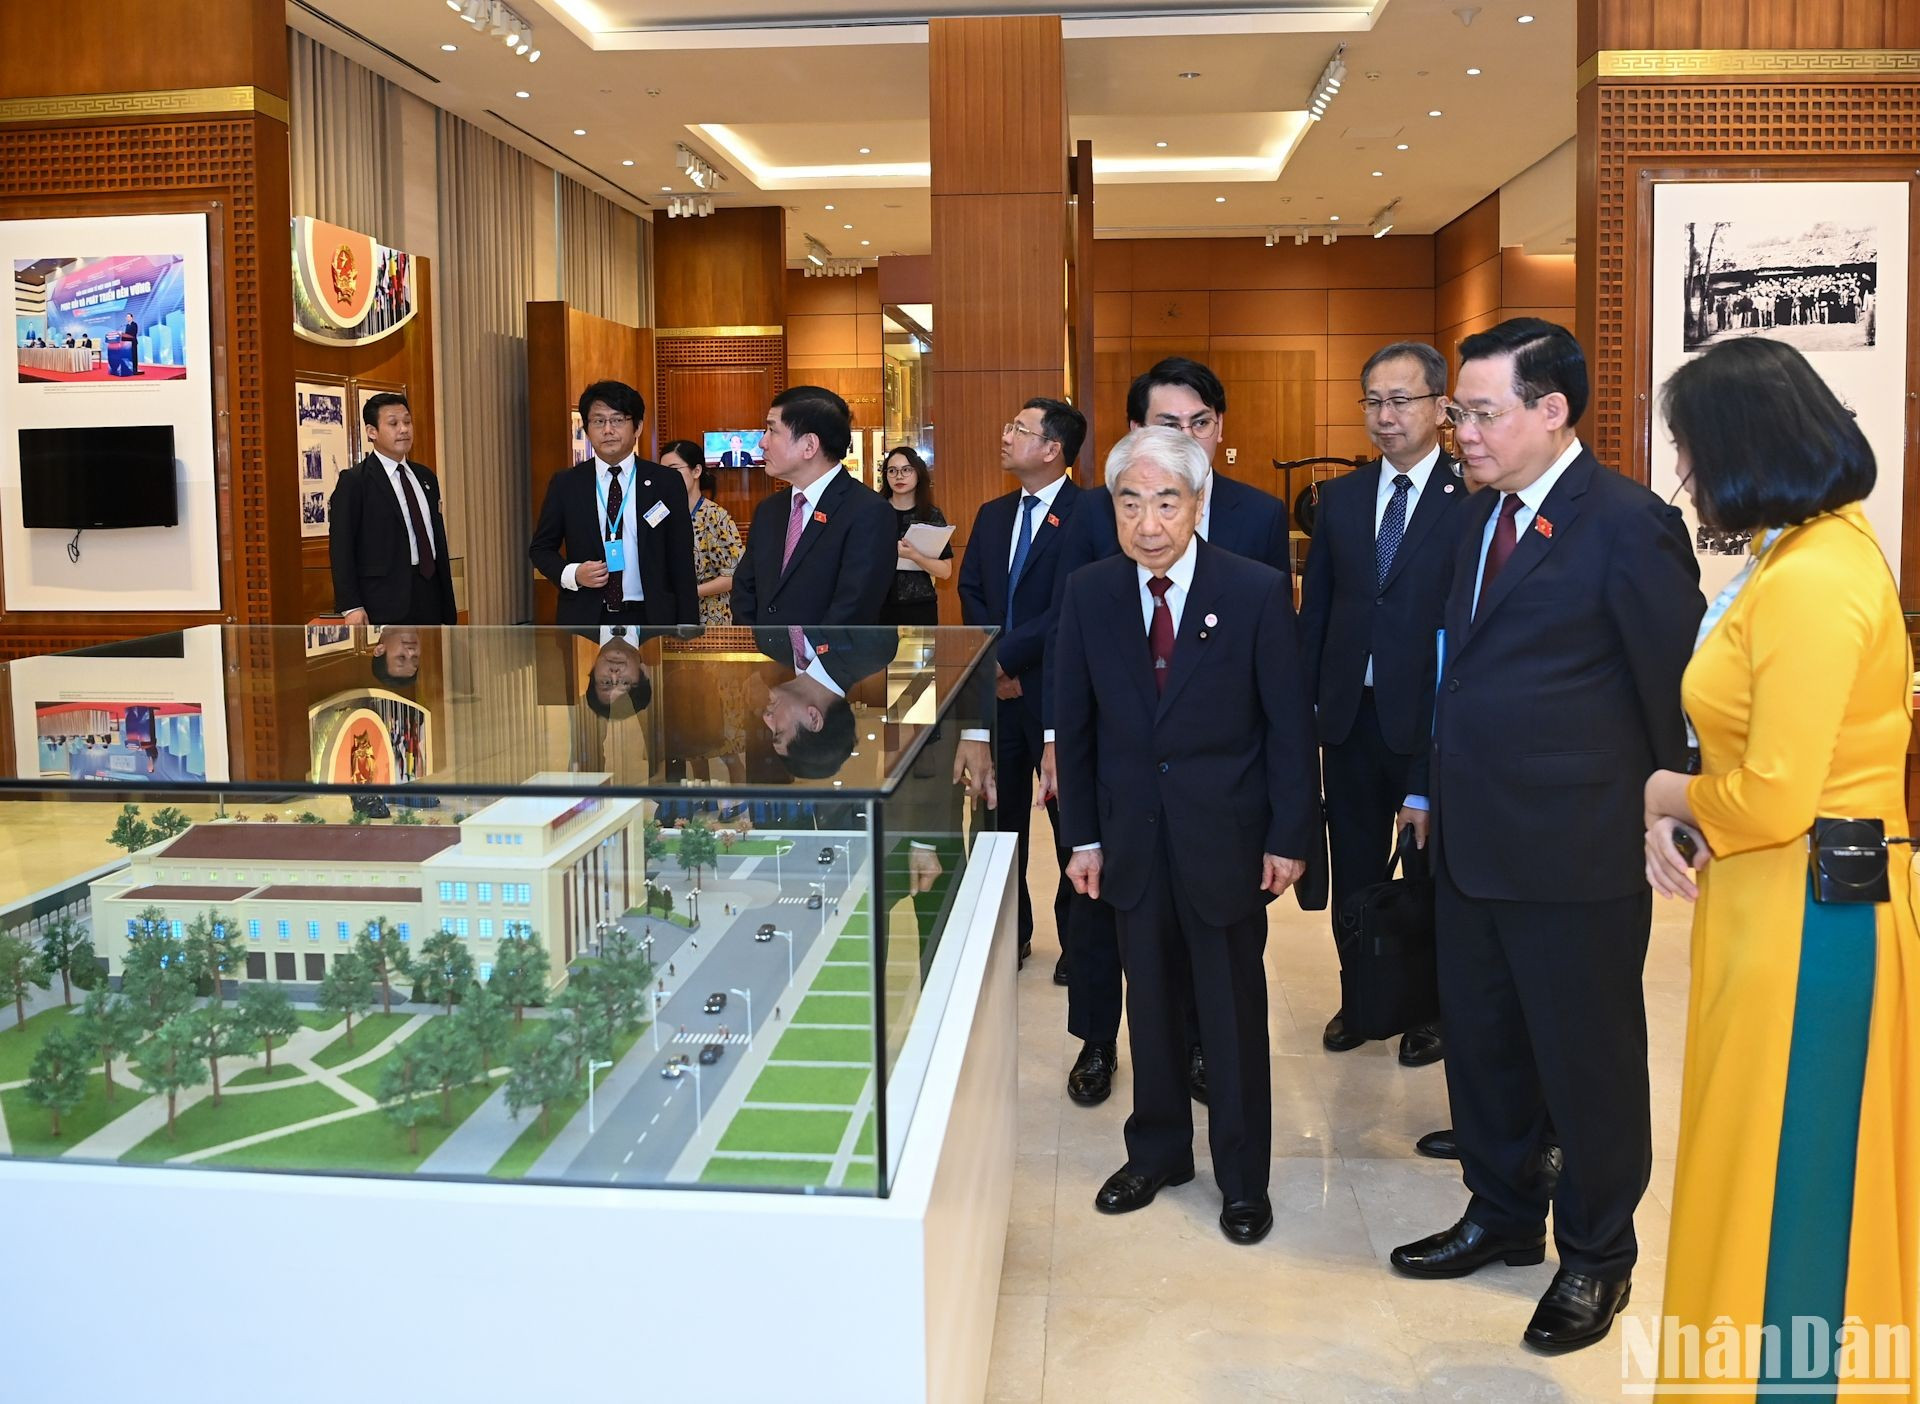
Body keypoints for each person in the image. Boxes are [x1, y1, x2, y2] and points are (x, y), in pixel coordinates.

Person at [1388, 319, 1702, 1354]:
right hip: (1474, 840)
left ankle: (1597, 1257)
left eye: (1481, 413)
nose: (1463, 433)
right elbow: (1459, 669)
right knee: (1482, 1046)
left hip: (1577, 848)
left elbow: (1669, 690)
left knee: (1588, 1062)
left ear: (1551, 411)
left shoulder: (1628, 523)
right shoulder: (1479, 519)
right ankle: (1503, 1212)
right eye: (1460, 414)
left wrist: (1668, 816)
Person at [1642, 337, 1918, 1397]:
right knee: (1758, 1166)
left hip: (1815, 930)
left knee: (1796, 1184)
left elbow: (1773, 794)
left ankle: (1790, 1386)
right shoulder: (1804, 554)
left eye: (1691, 450)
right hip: (1782, 906)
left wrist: (1661, 796)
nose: (1686, 475)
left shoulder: (1810, 580)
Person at [1054, 426, 1315, 1247]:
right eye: (1130, 502)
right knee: (1151, 1006)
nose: (1148, 521)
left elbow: (1286, 726)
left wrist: (1288, 835)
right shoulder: (1091, 592)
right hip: (1130, 839)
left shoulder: (1254, 590)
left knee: (1231, 1015)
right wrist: (1083, 839)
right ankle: (1160, 1151)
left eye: (1166, 501)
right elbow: (1078, 728)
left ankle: (1243, 1178)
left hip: (1226, 841)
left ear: (1198, 505)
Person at [1043, 355, 1296, 1109]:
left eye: (1199, 422)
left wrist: (1283, 823)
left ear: (1217, 429)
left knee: (1214, 960)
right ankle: (1097, 1041)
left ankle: (1198, 1053)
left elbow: (1275, 685)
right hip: (1121, 773)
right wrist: (1059, 738)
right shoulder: (1097, 511)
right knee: (1104, 926)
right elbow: (1074, 636)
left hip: (1215, 792)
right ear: (1133, 431)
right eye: (1166, 422)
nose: (1149, 522)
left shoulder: (1253, 517)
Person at [1298, 341, 1470, 1067]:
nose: (1385, 415)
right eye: (1373, 401)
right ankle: (1360, 997)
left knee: (1433, 874)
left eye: (1400, 401)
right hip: (1349, 715)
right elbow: (1321, 613)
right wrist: (1301, 708)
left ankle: (1432, 1008)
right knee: (1357, 864)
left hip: (1431, 719)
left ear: (1440, 407)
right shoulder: (1335, 499)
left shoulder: (1475, 504)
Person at [957, 398, 1083, 978]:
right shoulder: (992, 512)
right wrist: (991, 664)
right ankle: (1013, 932)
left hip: (1057, 693)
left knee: (1071, 825)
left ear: (1052, 448)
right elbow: (972, 591)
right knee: (998, 822)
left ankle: (1078, 939)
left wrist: (1004, 658)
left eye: (1019, 429)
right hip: (998, 694)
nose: (1004, 435)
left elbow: (1067, 609)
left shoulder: (1090, 515)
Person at [530, 380, 699, 628]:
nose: (608, 430)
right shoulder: (566, 483)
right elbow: (541, 549)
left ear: (638, 427)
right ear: (587, 429)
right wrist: (573, 574)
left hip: (651, 619)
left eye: (618, 420)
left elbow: (682, 560)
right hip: (587, 619)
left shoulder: (666, 482)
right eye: (598, 421)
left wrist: (688, 627)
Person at [729, 386, 896, 627]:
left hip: (830, 662)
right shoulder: (769, 510)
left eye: (772, 430)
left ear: (809, 445)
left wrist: (810, 662)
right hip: (766, 659)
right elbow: (745, 588)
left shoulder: (868, 512)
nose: (762, 442)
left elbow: (854, 606)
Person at [328, 393, 458, 626]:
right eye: (393, 423)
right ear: (372, 432)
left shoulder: (425, 477)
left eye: (407, 422)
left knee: (433, 662)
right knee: (393, 663)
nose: (404, 430)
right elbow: (341, 547)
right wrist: (351, 606)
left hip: (430, 594)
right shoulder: (355, 482)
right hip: (384, 601)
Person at [660, 438, 744, 626]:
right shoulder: (658, 513)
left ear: (696, 471)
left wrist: (687, 593)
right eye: (662, 471)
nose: (666, 477)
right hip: (668, 614)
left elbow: (733, 576)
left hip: (710, 616)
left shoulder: (716, 516)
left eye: (673, 470)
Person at [879, 446, 952, 627]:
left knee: (921, 656)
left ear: (918, 473)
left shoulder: (930, 515)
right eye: (892, 471)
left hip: (919, 606)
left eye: (906, 470)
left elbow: (945, 571)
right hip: (878, 604)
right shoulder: (874, 511)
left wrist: (915, 556)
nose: (899, 476)